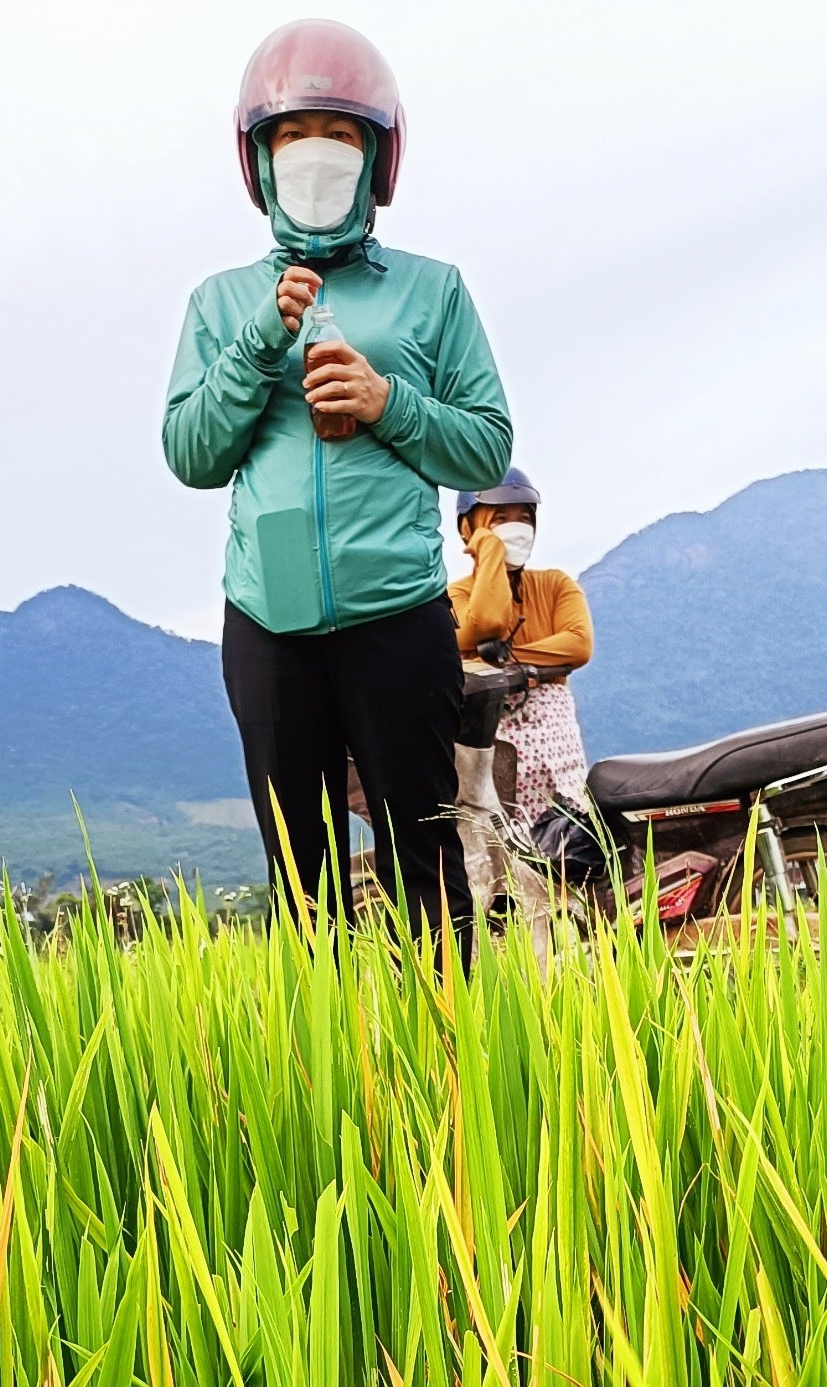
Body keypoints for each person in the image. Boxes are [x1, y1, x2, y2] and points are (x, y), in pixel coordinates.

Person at [163, 21, 513, 940]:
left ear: (377, 159)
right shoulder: (220, 303)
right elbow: (192, 456)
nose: (313, 154)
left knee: (425, 870)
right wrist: (257, 345)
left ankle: (447, 1067)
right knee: (300, 884)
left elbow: (485, 448)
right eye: (289, 134)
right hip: (266, 624)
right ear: (259, 160)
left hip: (396, 617)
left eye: (340, 134)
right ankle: (323, 1075)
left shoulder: (432, 292)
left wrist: (387, 400)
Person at [449, 470, 595, 827]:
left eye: (525, 518)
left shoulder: (556, 585)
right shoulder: (456, 596)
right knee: (500, 836)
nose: (516, 528)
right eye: (499, 519)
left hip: (556, 746)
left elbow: (577, 644)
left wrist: (501, 657)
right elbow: (484, 624)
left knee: (569, 837)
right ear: (470, 528)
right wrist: (489, 552)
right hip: (492, 742)